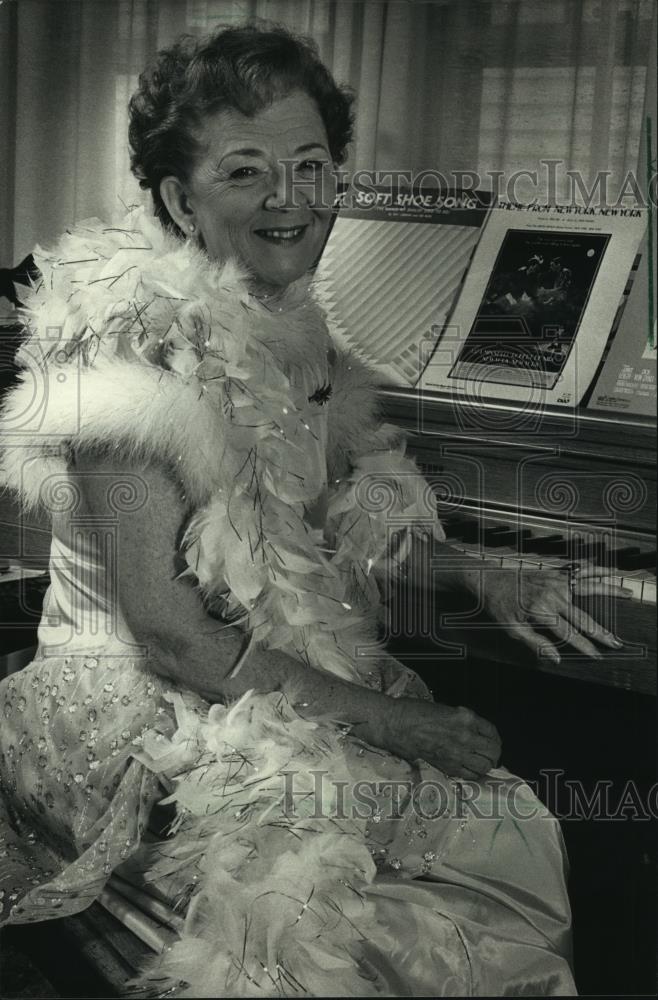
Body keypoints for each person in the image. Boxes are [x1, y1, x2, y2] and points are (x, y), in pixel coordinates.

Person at [0, 23, 626, 997]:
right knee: (342, 929)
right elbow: (172, 636)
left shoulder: (290, 329)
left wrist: (474, 570)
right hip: (127, 726)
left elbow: (330, 513)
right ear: (178, 197)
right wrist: (389, 718)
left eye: (311, 165)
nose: (290, 199)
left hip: (255, 694)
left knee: (497, 829)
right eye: (247, 170)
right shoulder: (122, 351)